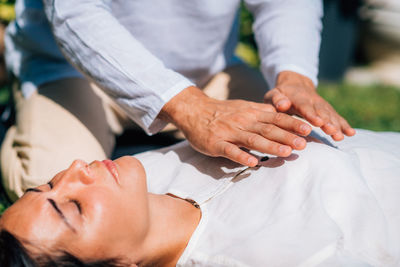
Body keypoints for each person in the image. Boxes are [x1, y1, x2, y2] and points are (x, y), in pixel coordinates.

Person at [0, 0, 355, 200]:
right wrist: (190, 109)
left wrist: (293, 77)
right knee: (57, 188)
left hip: (207, 74)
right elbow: (74, 10)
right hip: (72, 66)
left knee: (302, 155)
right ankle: (21, 119)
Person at [0, 128, 399, 266]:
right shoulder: (269, 256)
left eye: (47, 186)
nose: (73, 170)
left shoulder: (142, 179)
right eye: (72, 206)